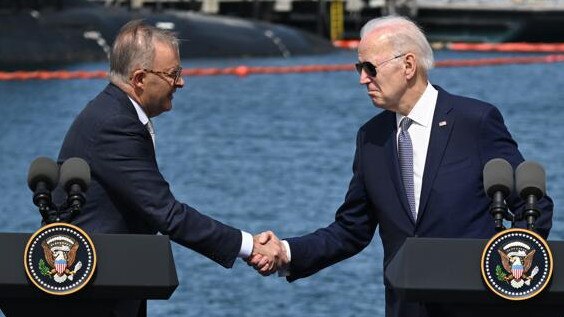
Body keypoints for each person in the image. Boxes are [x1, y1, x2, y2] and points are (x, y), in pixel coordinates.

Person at [248, 16, 554, 317]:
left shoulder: (475, 122)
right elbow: (351, 230)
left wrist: (512, 284)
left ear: (408, 65)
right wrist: (286, 252)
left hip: (478, 307)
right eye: (359, 67)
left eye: (370, 68)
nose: (362, 79)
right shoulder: (371, 138)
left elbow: (533, 206)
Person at [56, 20, 283, 316]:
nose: (181, 83)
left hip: (112, 285)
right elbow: (166, 213)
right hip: (93, 296)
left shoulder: (114, 112)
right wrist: (249, 246)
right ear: (139, 78)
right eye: (173, 74)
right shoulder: (114, 124)